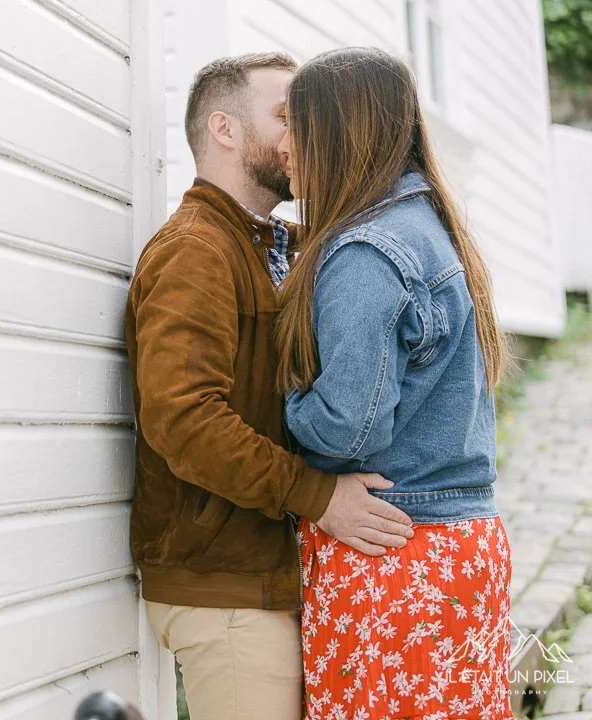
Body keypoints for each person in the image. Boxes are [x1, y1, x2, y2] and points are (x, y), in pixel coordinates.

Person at [124, 53, 414, 720]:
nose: (300, 135)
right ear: (224, 129)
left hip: (270, 575)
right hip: (224, 587)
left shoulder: (283, 243)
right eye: (287, 115)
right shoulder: (196, 250)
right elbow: (184, 421)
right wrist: (317, 496)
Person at [276, 47, 514, 719]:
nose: (284, 145)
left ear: (337, 131)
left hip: (392, 554)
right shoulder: (429, 227)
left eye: (295, 124)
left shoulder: (366, 253)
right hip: (459, 548)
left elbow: (349, 427)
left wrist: (284, 401)